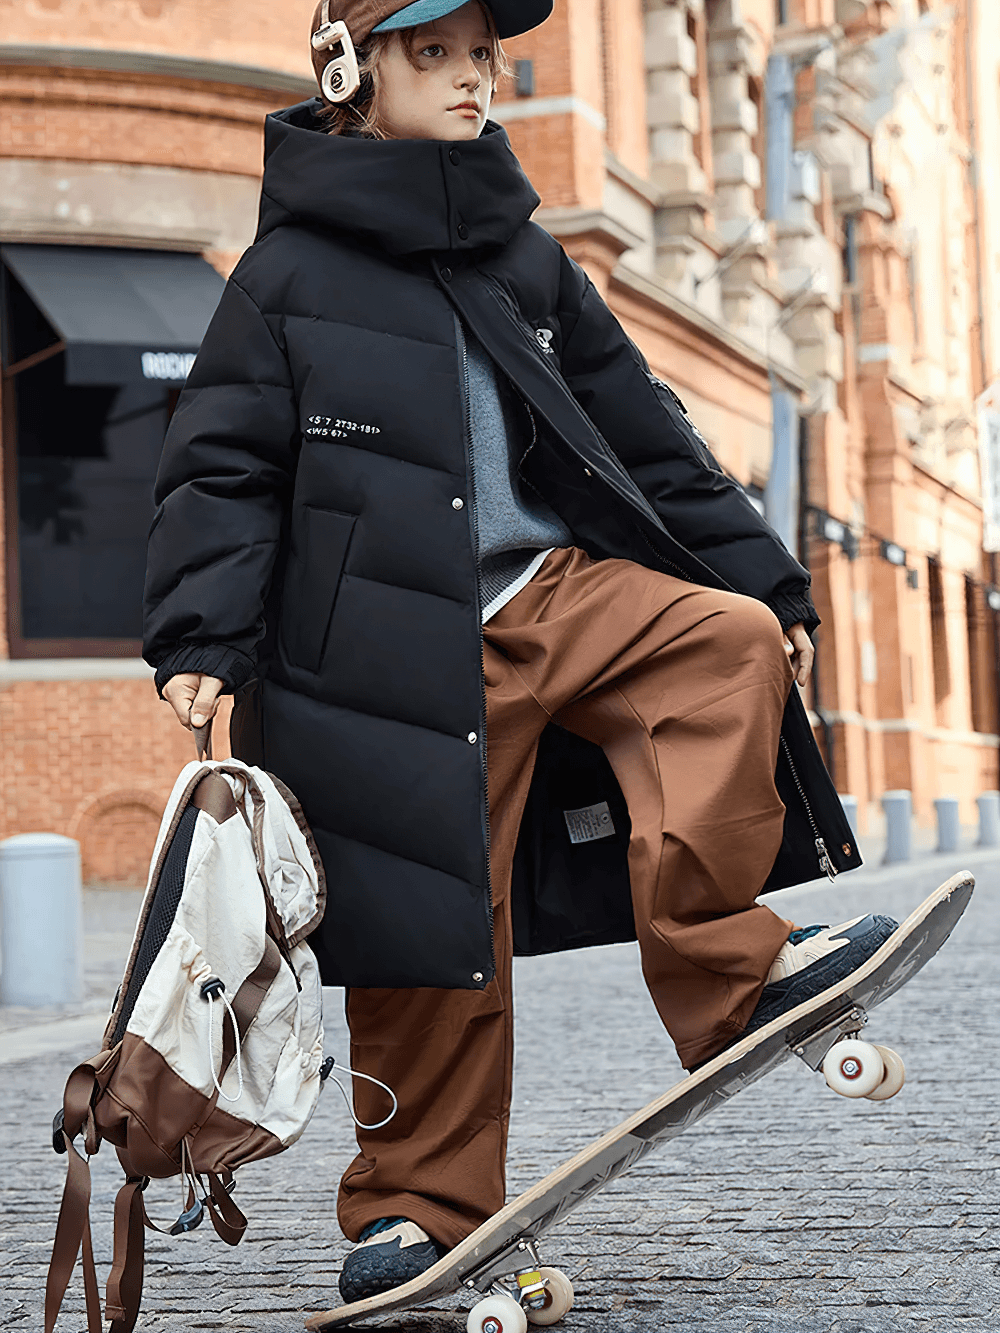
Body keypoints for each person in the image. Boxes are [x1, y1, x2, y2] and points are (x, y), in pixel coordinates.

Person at [143, 0, 894, 1303]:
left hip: (560, 593)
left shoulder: (522, 255)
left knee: (722, 647)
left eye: (484, 57)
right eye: (435, 55)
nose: (477, 78)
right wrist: (203, 630)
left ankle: (728, 969)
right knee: (432, 940)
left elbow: (650, 436)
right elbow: (222, 463)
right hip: (382, 655)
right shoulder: (286, 276)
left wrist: (771, 580)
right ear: (350, 69)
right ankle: (412, 1209)